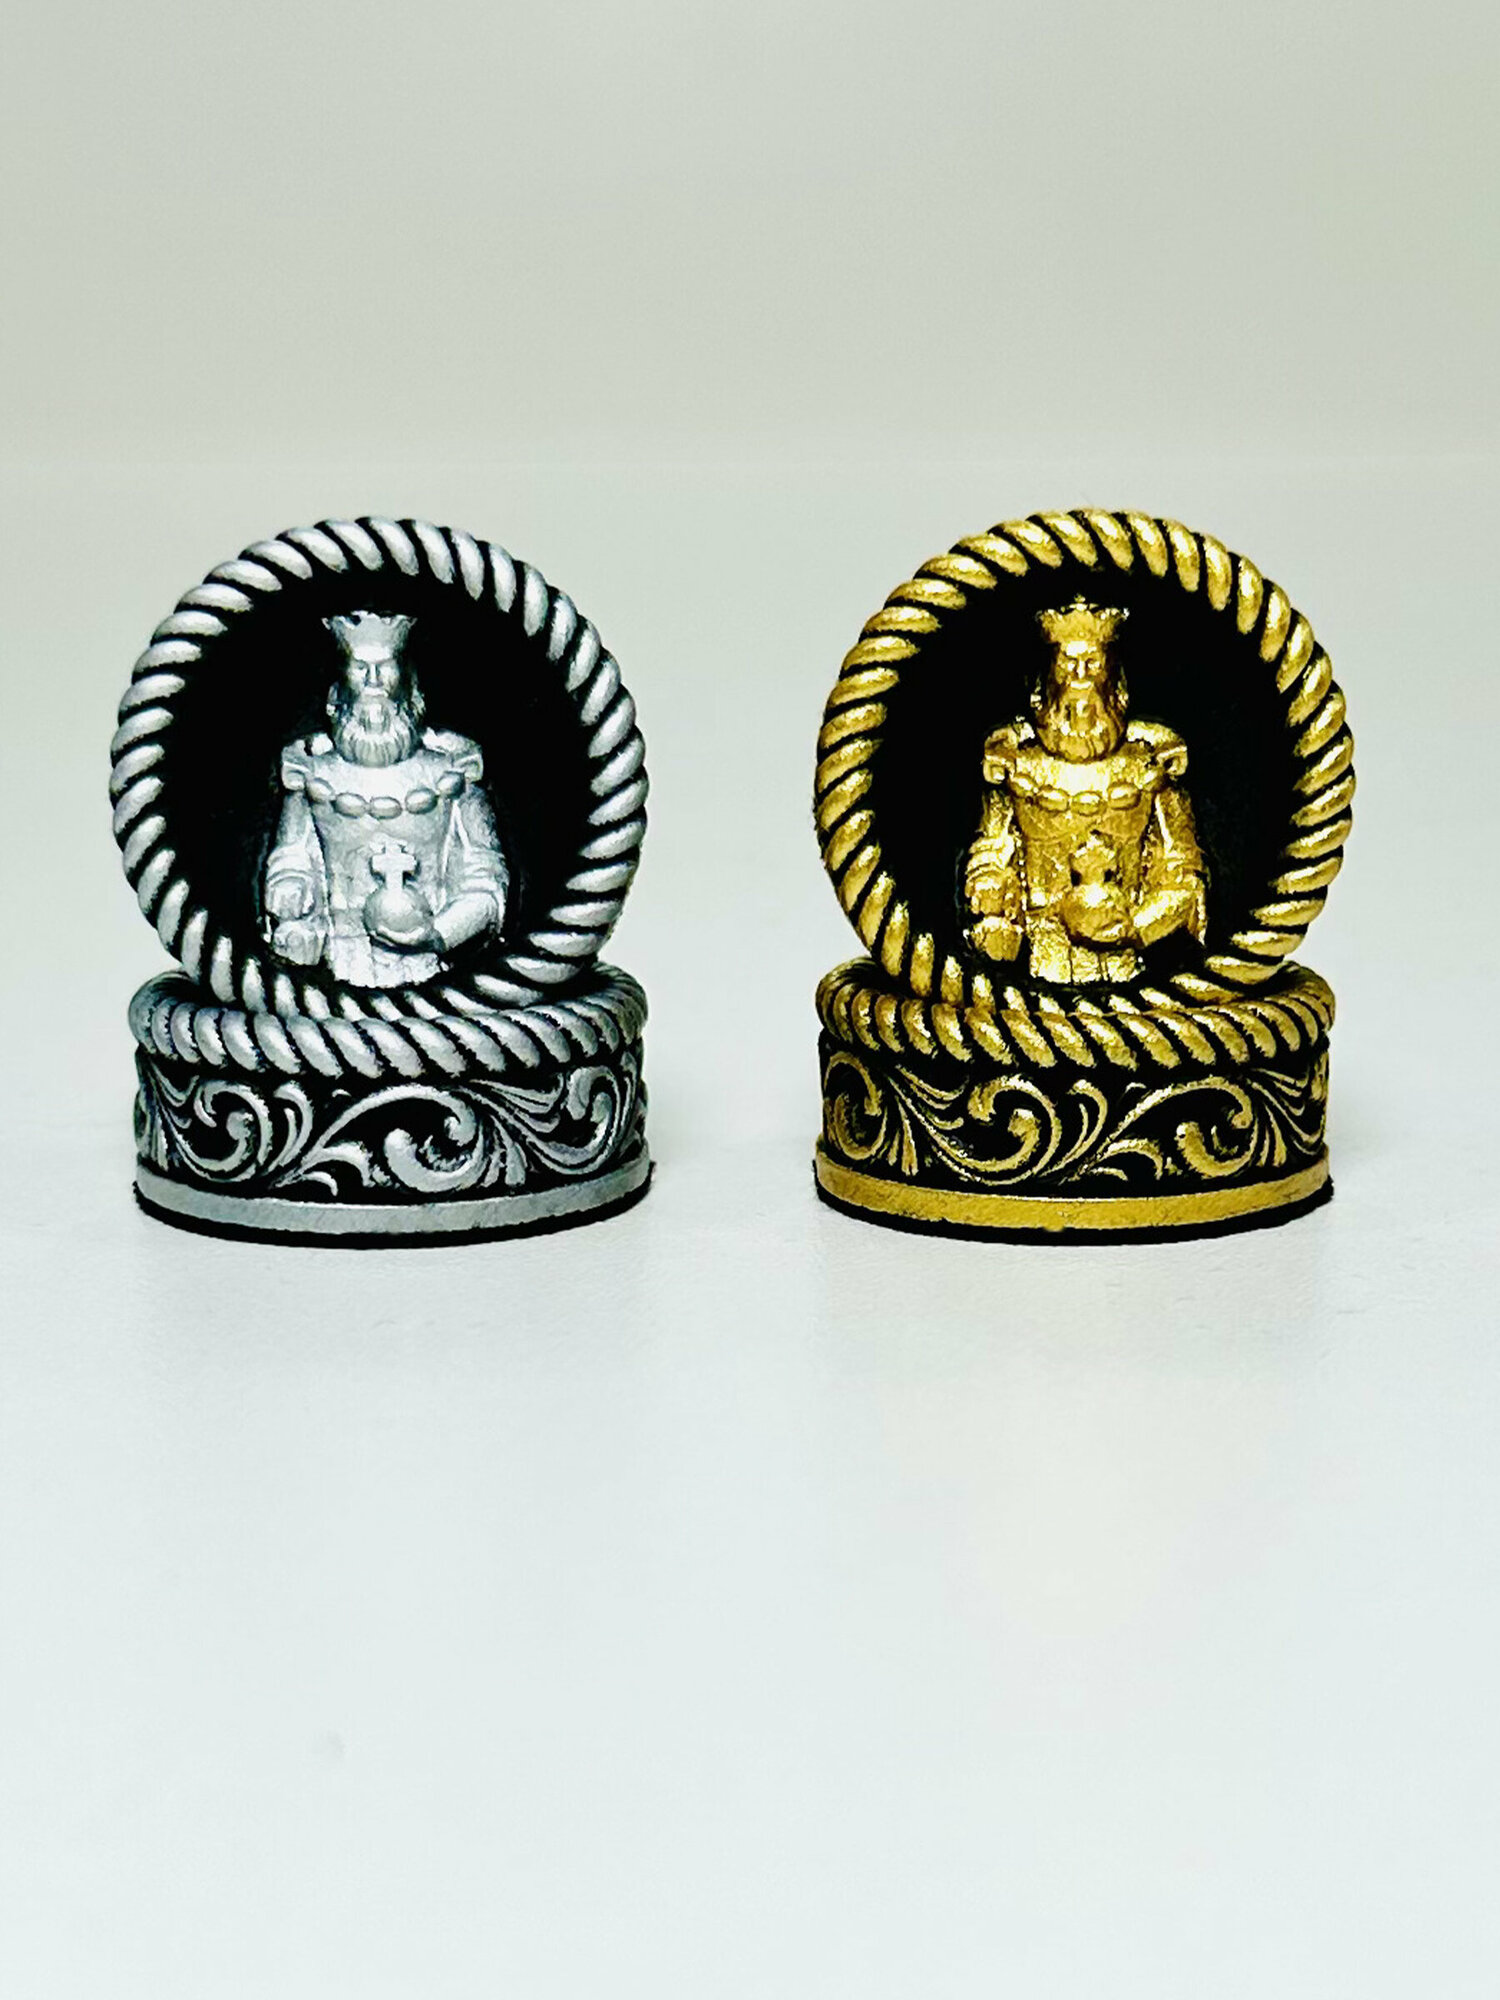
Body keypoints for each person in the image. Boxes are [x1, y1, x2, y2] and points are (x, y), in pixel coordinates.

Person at [964, 599, 1206, 984]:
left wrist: (1135, 927)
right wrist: (994, 902)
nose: (1080, 676)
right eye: (1067, 663)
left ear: (1113, 675)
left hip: (1129, 969)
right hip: (1045, 963)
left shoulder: (1150, 765)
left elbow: (1183, 875)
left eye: (1092, 664)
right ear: (1047, 676)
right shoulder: (1015, 767)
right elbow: (992, 853)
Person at [263, 610, 507, 987]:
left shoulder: (454, 773)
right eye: (360, 667)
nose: (373, 681)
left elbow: (486, 879)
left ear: (407, 677)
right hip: (340, 964)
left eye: (385, 667)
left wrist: (438, 933)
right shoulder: (311, 776)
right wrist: (292, 899)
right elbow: (292, 859)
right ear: (340, 681)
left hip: (433, 974)